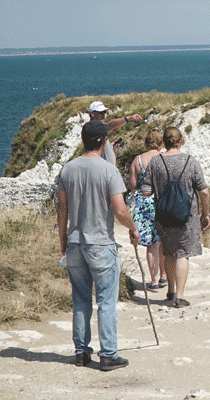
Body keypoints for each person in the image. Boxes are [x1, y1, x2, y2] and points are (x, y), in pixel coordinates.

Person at [57, 120, 140, 371]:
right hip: (100, 243)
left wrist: (63, 241)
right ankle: (108, 354)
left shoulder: (68, 169)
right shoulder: (108, 170)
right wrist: (133, 228)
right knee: (105, 300)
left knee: (81, 299)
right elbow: (120, 210)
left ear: (82, 140)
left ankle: (82, 352)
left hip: (75, 242)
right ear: (104, 141)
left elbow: (62, 210)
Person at [142, 127, 210, 308]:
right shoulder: (190, 161)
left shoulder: (156, 162)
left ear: (163, 142)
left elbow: (146, 191)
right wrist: (205, 214)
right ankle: (180, 296)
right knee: (183, 253)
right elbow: (204, 192)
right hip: (186, 216)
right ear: (181, 141)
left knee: (169, 251)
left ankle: (170, 290)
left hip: (163, 215)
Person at [128, 130, 167, 292]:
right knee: (162, 241)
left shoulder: (138, 160)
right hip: (163, 201)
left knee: (151, 244)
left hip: (145, 203)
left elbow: (133, 185)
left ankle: (154, 281)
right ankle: (164, 276)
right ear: (161, 142)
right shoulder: (164, 158)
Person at [88, 101, 143, 165]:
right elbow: (110, 125)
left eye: (104, 112)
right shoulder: (92, 127)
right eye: (101, 112)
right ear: (92, 114)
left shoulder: (96, 128)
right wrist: (127, 118)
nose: (103, 115)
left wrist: (109, 147)